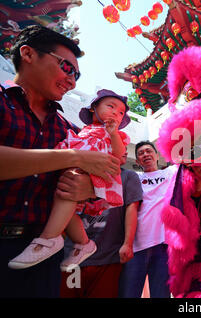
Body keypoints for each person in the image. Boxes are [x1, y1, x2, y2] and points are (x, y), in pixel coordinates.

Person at [0, 25, 120, 298]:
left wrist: (87, 189)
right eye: (67, 68)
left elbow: (105, 176)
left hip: (41, 252)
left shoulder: (69, 129)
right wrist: (74, 157)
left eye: (77, 75)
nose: (72, 82)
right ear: (28, 54)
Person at [8, 88, 130, 270]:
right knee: (66, 206)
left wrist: (113, 133)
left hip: (91, 172)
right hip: (74, 169)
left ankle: (48, 239)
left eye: (121, 112)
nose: (116, 113)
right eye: (110, 106)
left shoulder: (115, 134)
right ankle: (83, 243)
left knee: (66, 195)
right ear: (93, 108)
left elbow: (119, 154)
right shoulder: (83, 130)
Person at [60, 151, 142, 298]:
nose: (124, 151)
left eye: (124, 147)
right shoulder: (78, 172)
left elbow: (132, 208)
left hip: (108, 257)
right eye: (118, 145)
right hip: (71, 257)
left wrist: (128, 243)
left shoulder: (128, 176)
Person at [118, 141, 177, 298]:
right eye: (141, 153)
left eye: (149, 151)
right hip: (135, 246)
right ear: (137, 161)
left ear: (157, 156)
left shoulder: (171, 172)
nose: (145, 154)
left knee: (161, 295)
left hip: (163, 245)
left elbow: (188, 155)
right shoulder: (133, 177)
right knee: (129, 293)